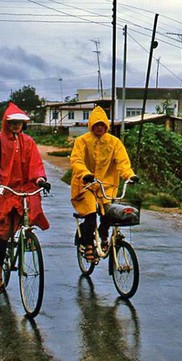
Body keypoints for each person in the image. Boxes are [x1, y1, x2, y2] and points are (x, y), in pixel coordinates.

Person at [0, 102, 51, 295]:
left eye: (19, 122)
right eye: (13, 122)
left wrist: (40, 179)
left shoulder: (28, 142)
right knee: (3, 234)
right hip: (4, 189)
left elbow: (36, 163)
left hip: (24, 189)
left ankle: (26, 238)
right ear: (6, 123)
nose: (16, 126)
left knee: (32, 211)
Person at [70, 106, 138, 262]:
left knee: (108, 213)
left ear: (106, 126)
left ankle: (103, 235)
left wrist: (130, 175)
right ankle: (88, 245)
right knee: (91, 215)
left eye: (102, 125)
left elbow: (122, 162)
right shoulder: (82, 141)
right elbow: (76, 160)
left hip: (106, 185)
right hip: (85, 184)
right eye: (96, 124)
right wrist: (85, 174)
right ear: (91, 125)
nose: (99, 127)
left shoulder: (114, 142)